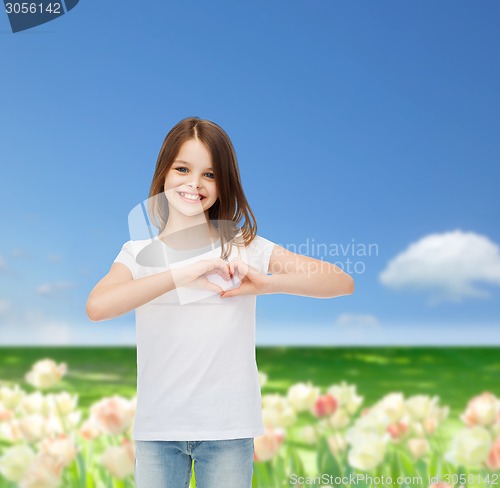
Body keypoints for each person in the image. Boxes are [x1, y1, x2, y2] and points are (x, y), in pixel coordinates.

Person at [86, 116, 354, 488]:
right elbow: (98, 307)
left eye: (209, 175)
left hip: (228, 428)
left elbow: (340, 282)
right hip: (159, 429)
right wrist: (185, 271)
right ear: (164, 173)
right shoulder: (138, 253)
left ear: (223, 183)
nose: (194, 184)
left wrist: (266, 285)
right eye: (183, 169)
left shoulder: (243, 245)